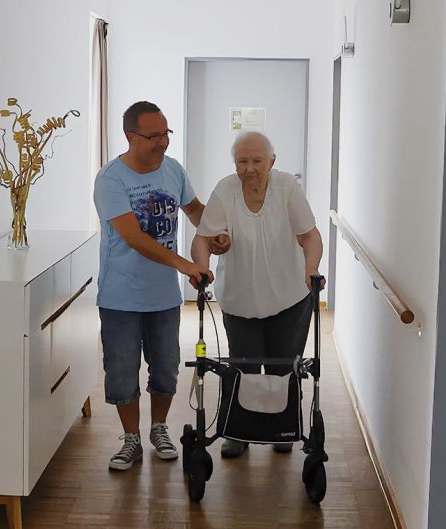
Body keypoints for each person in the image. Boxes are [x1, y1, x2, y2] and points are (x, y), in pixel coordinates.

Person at [93, 101, 230, 470]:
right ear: (130, 136)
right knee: (122, 371)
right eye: (153, 136)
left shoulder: (173, 170)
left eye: (165, 133)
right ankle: (131, 440)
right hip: (121, 295)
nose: (163, 142)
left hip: (163, 297)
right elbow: (134, 237)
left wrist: (215, 232)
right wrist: (185, 265)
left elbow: (195, 209)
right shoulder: (111, 180)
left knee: (166, 368)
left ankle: (159, 429)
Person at [191, 131, 323, 459]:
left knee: (284, 366)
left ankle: (283, 427)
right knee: (242, 367)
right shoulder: (225, 190)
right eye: (242, 161)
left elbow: (310, 235)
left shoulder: (286, 188)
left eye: (257, 161)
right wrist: (202, 267)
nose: (249, 168)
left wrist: (311, 269)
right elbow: (203, 238)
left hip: (289, 296)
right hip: (240, 299)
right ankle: (238, 432)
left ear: (272, 162)